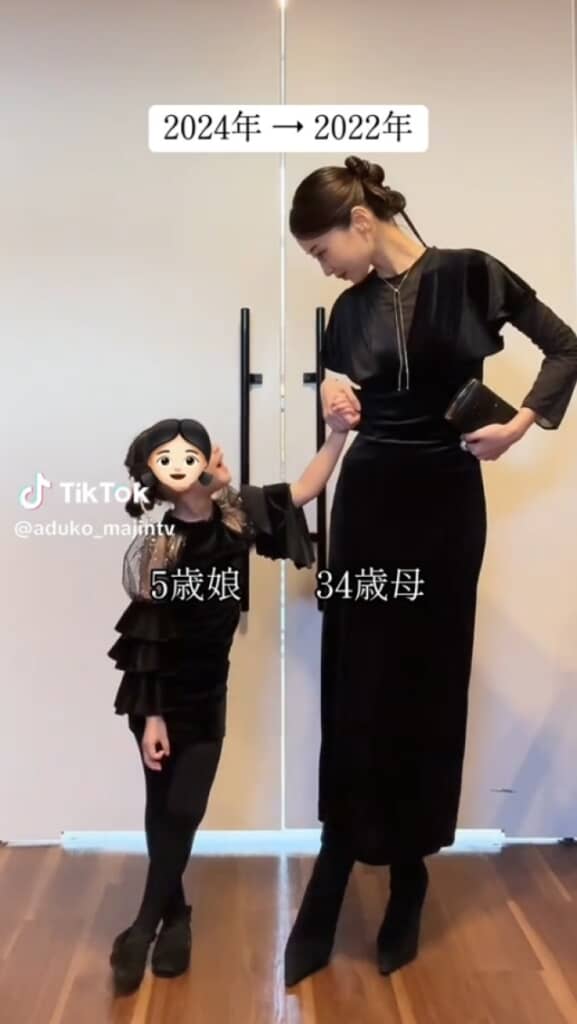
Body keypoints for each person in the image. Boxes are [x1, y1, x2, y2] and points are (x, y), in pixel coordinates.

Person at [283, 155, 577, 985]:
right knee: (354, 678)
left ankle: (409, 871)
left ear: (360, 221)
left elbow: (566, 347)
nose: (323, 268)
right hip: (367, 501)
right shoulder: (346, 312)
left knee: (426, 679)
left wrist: (518, 424)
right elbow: (341, 405)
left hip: (445, 503)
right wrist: (333, 404)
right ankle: (334, 867)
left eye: (321, 250)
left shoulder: (472, 275)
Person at [106, 416, 349, 995]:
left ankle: (143, 927)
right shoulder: (158, 545)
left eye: (188, 454)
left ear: (206, 459)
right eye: (166, 460)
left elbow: (305, 489)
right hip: (157, 696)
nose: (181, 466)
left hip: (207, 693)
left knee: (184, 809)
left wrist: (338, 434)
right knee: (163, 808)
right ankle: (173, 921)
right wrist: (153, 718)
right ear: (153, 476)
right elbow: (147, 638)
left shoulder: (238, 518)